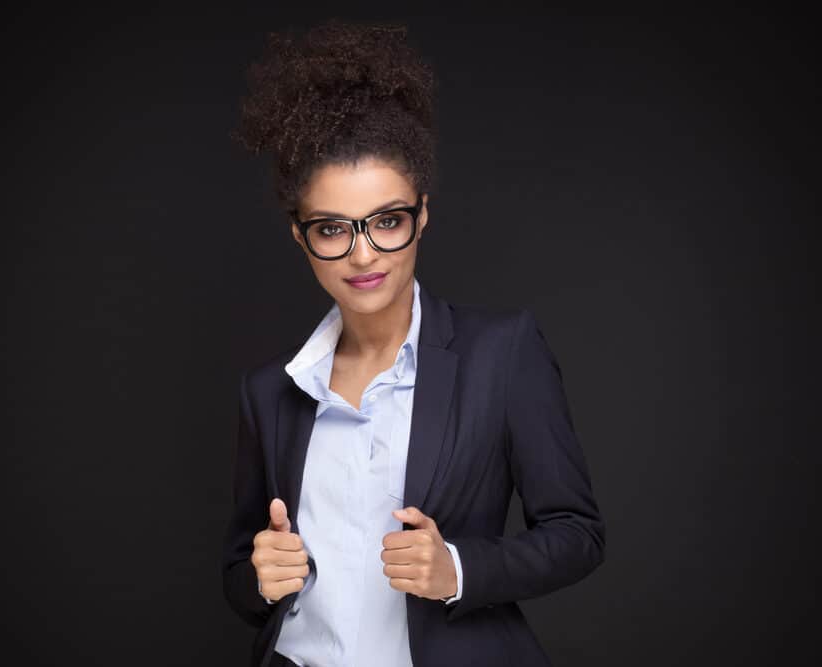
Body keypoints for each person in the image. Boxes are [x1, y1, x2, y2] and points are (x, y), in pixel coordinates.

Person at [221, 18, 605, 667]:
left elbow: (578, 533)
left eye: (388, 221)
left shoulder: (503, 354)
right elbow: (241, 571)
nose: (363, 253)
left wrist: (458, 567)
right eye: (331, 228)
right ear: (299, 233)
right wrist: (260, 575)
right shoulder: (272, 392)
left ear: (422, 212)